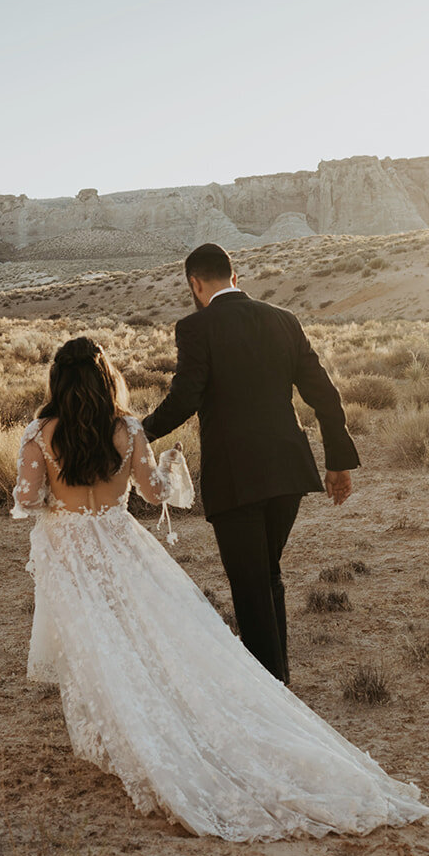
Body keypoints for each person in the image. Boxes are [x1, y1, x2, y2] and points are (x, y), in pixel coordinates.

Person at [12, 336, 429, 840]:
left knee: (100, 644)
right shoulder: (127, 430)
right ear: (106, 378)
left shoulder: (40, 434)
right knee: (145, 636)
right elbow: (155, 495)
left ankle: (129, 736)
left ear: (57, 380)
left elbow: (25, 498)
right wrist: (170, 467)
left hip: (71, 556)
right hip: (121, 548)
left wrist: (56, 491)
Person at [141, 242, 357, 685]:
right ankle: (278, 682)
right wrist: (338, 460)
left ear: (195, 284)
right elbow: (324, 394)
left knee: (251, 583)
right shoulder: (284, 320)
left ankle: (271, 692)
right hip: (289, 470)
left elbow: (185, 397)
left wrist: (135, 434)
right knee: (266, 574)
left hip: (236, 476)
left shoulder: (196, 327)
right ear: (234, 278)